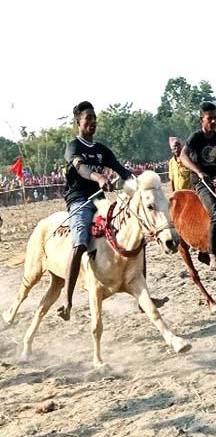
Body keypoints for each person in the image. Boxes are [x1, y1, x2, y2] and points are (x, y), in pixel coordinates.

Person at [60, 101, 134, 320]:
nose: (92, 122)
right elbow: (81, 168)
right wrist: (99, 177)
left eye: (94, 118)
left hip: (100, 200)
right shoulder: (73, 146)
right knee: (80, 241)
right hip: (79, 200)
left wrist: (139, 182)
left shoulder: (102, 150)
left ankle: (143, 293)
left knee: (135, 233)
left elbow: (121, 169)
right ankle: (67, 298)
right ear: (78, 123)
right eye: (87, 119)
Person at [180, 101, 216, 270]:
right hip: (200, 182)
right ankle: (211, 253)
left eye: (215, 118)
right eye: (209, 118)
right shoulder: (195, 137)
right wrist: (198, 172)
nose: (213, 122)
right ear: (201, 120)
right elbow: (183, 156)